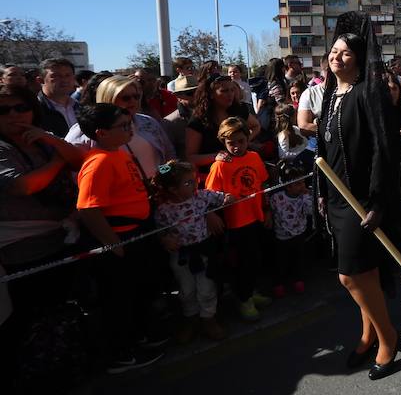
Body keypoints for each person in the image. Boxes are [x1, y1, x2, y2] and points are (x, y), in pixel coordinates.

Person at [316, 12, 401, 380]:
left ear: (360, 59)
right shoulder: (329, 93)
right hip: (335, 198)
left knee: (351, 276)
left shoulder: (369, 92)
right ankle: (368, 333)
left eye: (346, 53)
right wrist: (321, 192)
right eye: (334, 51)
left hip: (362, 199)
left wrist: (378, 201)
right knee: (361, 275)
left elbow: (384, 150)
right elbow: (324, 148)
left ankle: (389, 338)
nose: (337, 57)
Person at [0, 84, 82, 383]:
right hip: (20, 251)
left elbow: (78, 160)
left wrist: (51, 141)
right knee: (24, 320)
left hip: (61, 239)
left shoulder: (42, 140)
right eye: (3, 110)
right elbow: (23, 186)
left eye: (20, 107)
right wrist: (57, 161)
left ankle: (59, 365)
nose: (14, 115)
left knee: (58, 311)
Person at [75, 103, 165, 373]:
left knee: (136, 293)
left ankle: (138, 337)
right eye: (123, 126)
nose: (129, 130)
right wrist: (113, 244)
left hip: (137, 234)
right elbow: (87, 208)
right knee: (118, 300)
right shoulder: (98, 162)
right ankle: (120, 354)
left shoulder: (119, 152)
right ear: (101, 133)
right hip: (121, 240)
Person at [152, 160, 232, 342]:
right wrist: (164, 238)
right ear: (173, 190)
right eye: (188, 182)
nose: (195, 184)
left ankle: (208, 318)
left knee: (206, 288)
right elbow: (159, 232)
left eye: (194, 180)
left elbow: (225, 197)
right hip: (181, 257)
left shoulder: (201, 197)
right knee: (186, 290)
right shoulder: (164, 210)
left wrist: (226, 200)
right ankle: (191, 318)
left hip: (204, 252)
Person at [205, 117, 271, 321]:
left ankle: (250, 292)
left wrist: (267, 210)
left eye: (241, 141)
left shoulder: (254, 157)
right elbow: (208, 196)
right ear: (223, 143)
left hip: (255, 217)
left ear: (248, 138)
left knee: (255, 259)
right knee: (242, 263)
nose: (236, 146)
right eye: (231, 143)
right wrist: (214, 213)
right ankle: (243, 299)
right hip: (235, 224)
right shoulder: (220, 166)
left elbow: (262, 185)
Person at [66, 75, 175, 178]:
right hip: (116, 195)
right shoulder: (84, 129)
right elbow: (73, 168)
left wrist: (163, 177)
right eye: (125, 98)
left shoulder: (149, 122)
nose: (133, 101)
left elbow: (168, 156)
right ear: (108, 98)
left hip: (155, 193)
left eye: (136, 96)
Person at [186, 75, 260, 179]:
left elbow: (256, 126)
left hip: (242, 169)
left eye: (232, 90)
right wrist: (216, 156)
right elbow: (190, 158)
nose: (230, 94)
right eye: (224, 91)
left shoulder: (239, 109)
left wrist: (243, 142)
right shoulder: (199, 120)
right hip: (215, 175)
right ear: (211, 94)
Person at [267, 162, 313, 298]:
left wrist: (306, 196)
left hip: (299, 233)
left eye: (303, 182)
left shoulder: (305, 195)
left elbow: (310, 211)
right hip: (281, 236)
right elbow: (270, 208)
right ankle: (278, 282)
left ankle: (298, 279)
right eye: (298, 184)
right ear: (287, 185)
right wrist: (268, 214)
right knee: (280, 261)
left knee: (298, 258)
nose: (302, 186)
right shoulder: (277, 197)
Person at [36, 58, 78, 137]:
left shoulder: (80, 107)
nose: (64, 80)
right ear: (41, 80)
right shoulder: (33, 110)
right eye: (56, 76)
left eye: (68, 75)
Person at [162, 75, 198, 160]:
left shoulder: (209, 113)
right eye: (190, 93)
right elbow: (169, 154)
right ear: (178, 97)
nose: (196, 95)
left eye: (198, 91)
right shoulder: (170, 122)